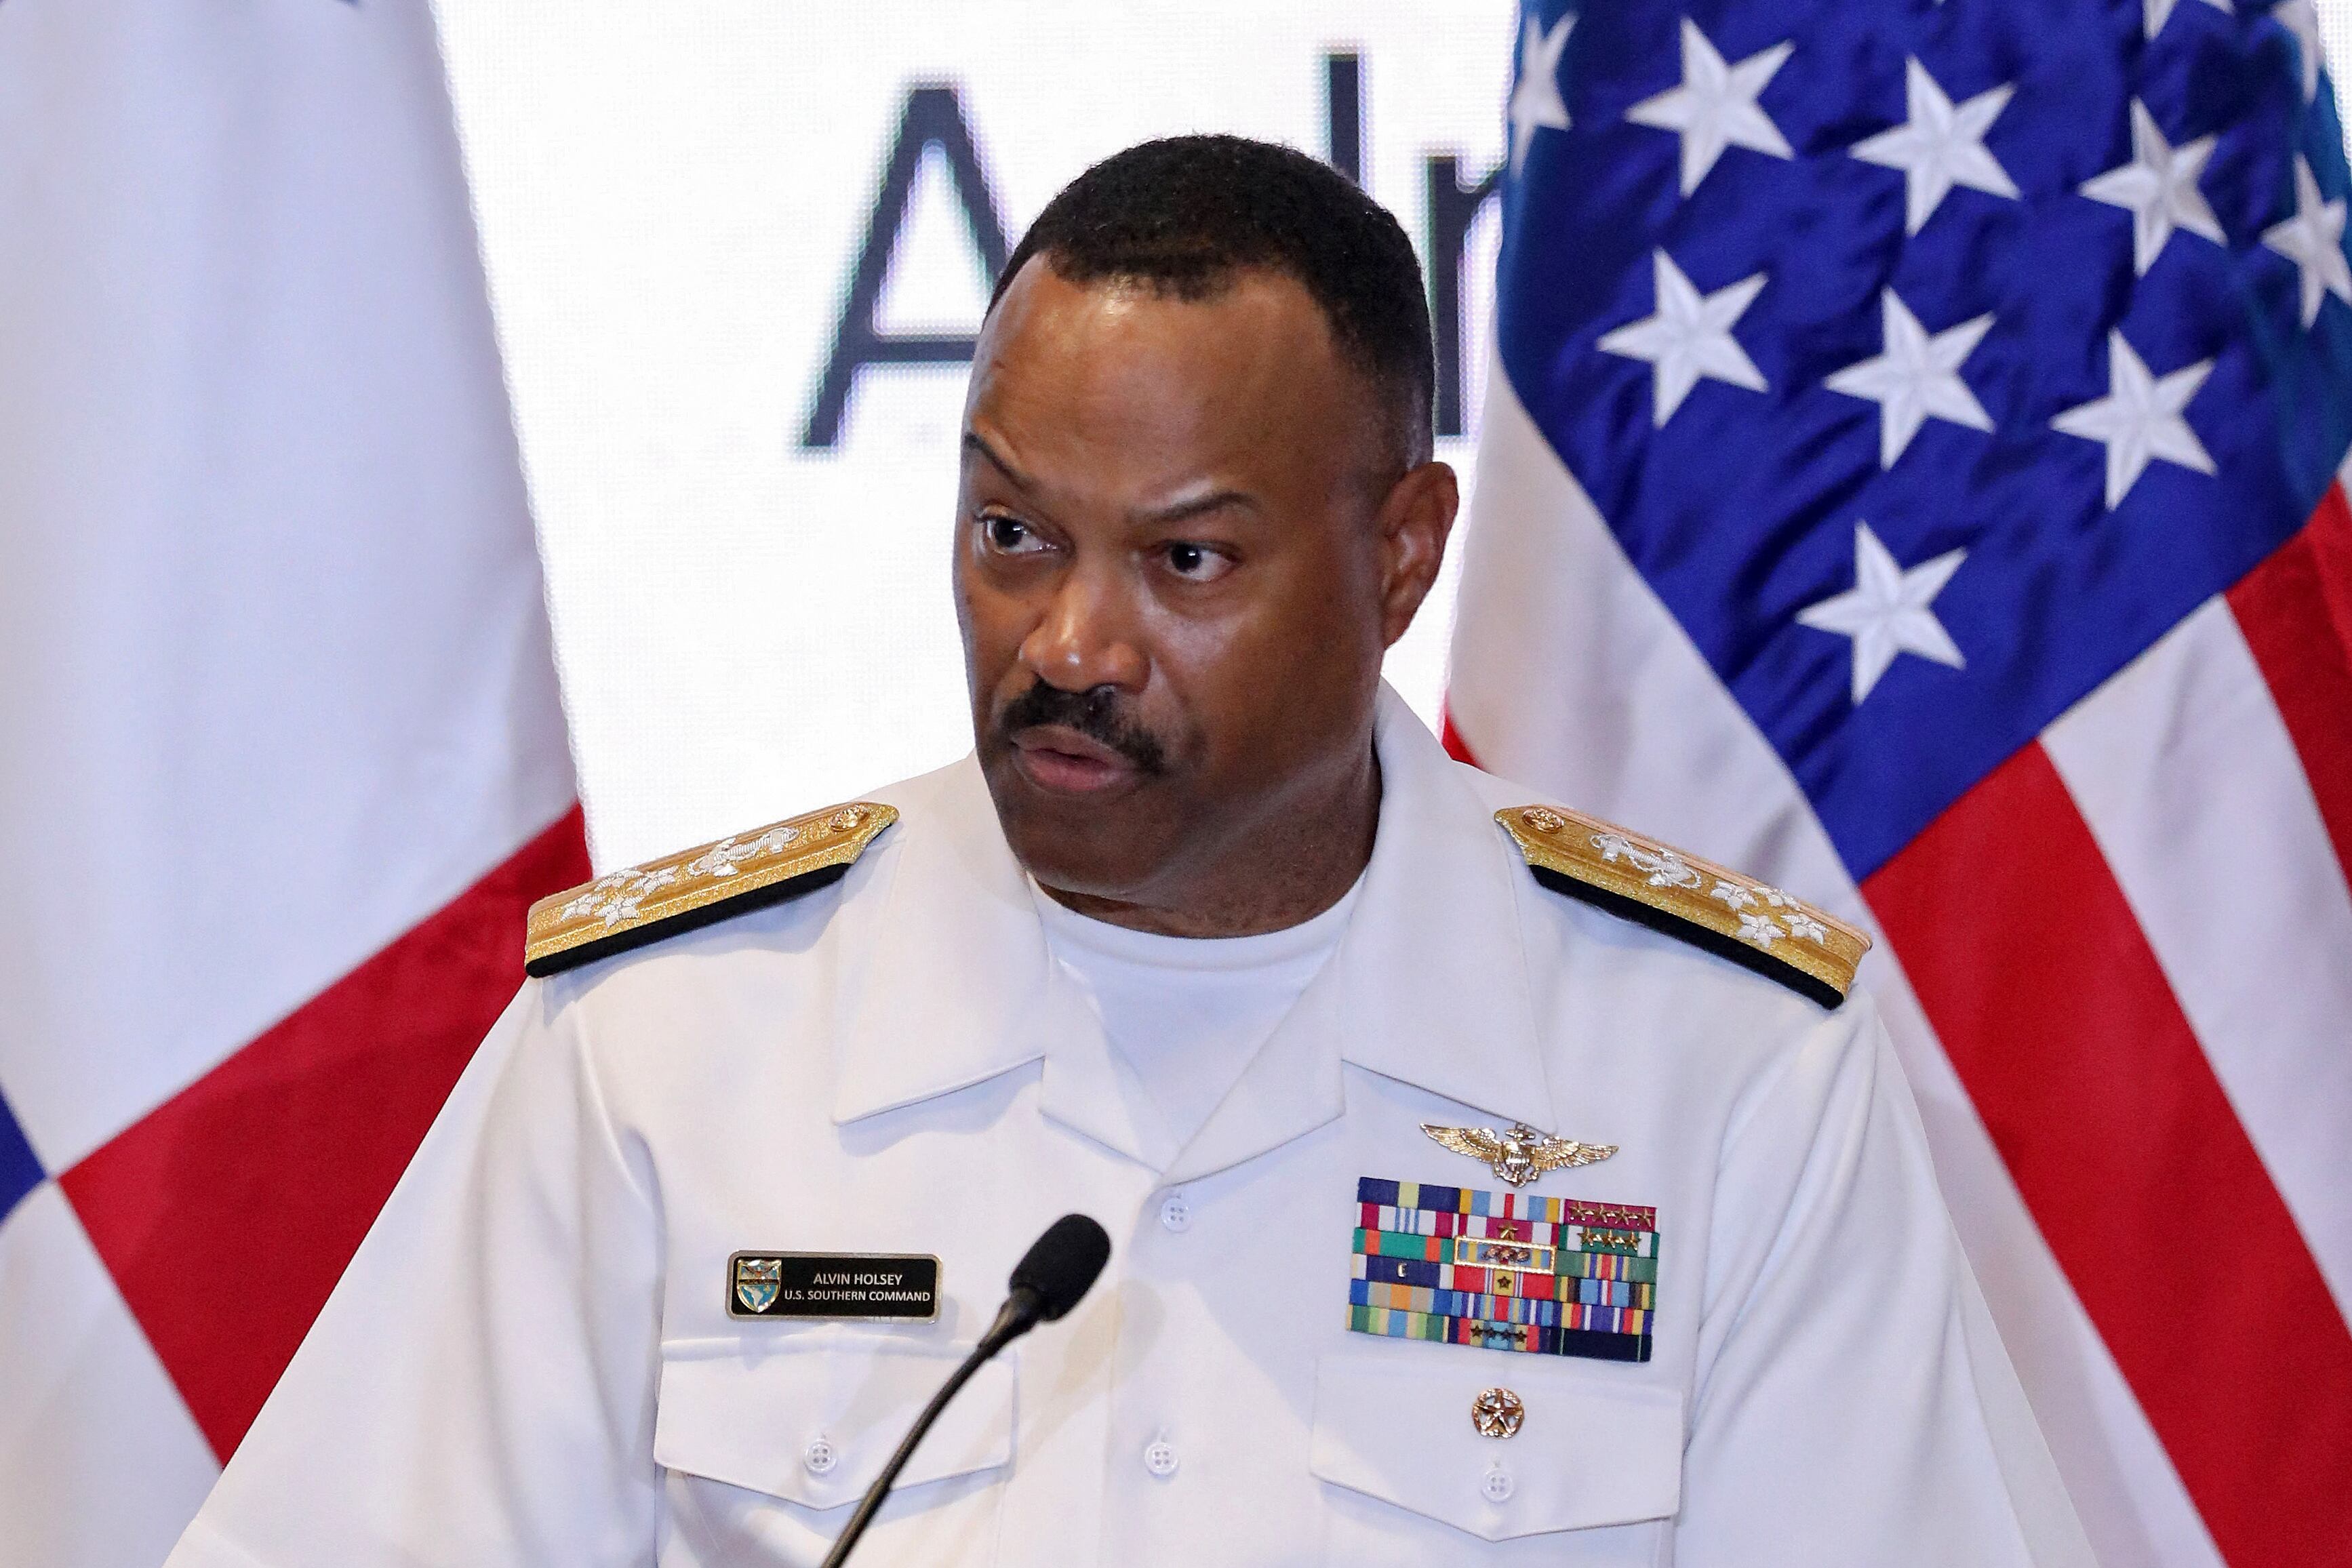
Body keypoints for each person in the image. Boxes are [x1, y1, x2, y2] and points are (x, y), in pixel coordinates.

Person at [166, 136, 2092, 1567]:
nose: (1070, 648)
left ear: (1400, 554)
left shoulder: (1716, 1070)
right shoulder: (670, 1047)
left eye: (1186, 560)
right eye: (1013, 534)